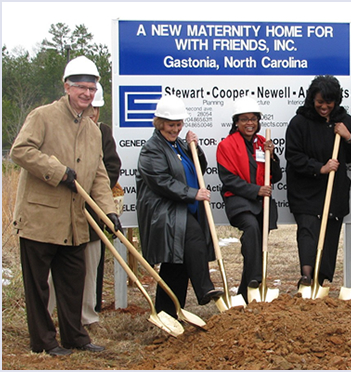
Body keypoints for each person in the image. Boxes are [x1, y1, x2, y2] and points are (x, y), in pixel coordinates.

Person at [10, 56, 119, 356]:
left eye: (92, 88)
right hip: (40, 217)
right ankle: (44, 341)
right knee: (39, 287)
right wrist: (57, 171)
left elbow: (99, 174)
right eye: (82, 88)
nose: (87, 94)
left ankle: (75, 336)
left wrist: (108, 211)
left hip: (75, 221)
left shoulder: (93, 129)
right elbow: (20, 151)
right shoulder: (43, 116)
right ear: (67, 87)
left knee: (73, 282)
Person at [136, 95, 222, 319]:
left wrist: (196, 147)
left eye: (178, 124)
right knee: (193, 239)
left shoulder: (180, 144)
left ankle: (167, 313)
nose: (175, 129)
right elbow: (161, 181)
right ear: (160, 122)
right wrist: (193, 193)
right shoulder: (151, 149)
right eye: (170, 124)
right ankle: (204, 289)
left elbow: (197, 169)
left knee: (177, 263)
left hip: (184, 208)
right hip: (164, 211)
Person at [47, 82, 122, 332]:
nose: (91, 111)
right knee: (52, 267)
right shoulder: (58, 127)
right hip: (59, 210)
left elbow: (109, 169)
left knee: (90, 267)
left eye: (95, 107)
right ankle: (47, 315)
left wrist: (95, 196)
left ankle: (87, 316)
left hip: (89, 211)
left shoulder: (101, 132)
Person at [285, 75, 351, 287]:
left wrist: (347, 137)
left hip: (334, 190)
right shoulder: (299, 122)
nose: (324, 106)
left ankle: (320, 280)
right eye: (320, 101)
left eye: (329, 102)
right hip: (306, 191)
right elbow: (293, 155)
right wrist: (320, 168)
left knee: (329, 235)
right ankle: (307, 276)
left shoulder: (344, 121)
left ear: (336, 100)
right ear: (312, 99)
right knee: (308, 229)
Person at [216, 97, 282, 302]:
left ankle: (246, 292)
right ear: (236, 121)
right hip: (239, 201)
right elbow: (228, 180)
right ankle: (255, 279)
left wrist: (272, 157)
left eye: (253, 119)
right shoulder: (226, 146)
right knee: (252, 229)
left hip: (262, 204)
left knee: (256, 244)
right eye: (244, 119)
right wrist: (256, 190)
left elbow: (276, 176)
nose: (249, 123)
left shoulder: (264, 143)